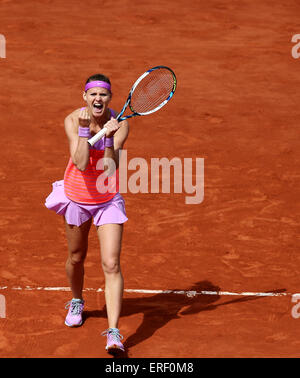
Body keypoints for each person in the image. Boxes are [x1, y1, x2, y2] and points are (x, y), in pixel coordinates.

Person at [45, 73, 129, 354]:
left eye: (103, 95)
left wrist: (109, 138)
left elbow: (109, 169)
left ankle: (114, 332)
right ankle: (77, 299)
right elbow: (80, 163)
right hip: (76, 198)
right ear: (84, 97)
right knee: (76, 257)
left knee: (111, 264)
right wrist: (85, 131)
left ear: (110, 99)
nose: (98, 99)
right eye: (93, 94)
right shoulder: (72, 120)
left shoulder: (121, 124)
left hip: (106, 200)